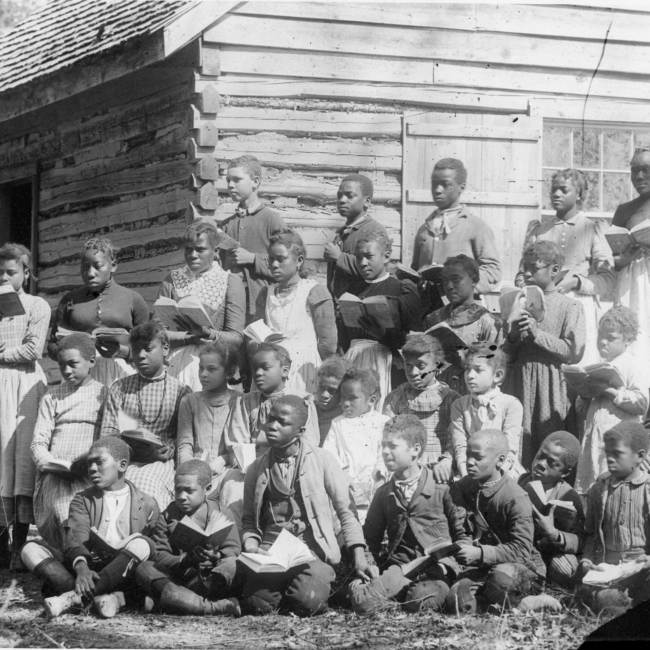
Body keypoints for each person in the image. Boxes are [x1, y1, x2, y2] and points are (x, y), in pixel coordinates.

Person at [239, 395, 374, 616]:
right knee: (257, 605)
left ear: (300, 431)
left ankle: (310, 583)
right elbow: (248, 520)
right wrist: (252, 546)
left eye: (283, 422)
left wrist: (360, 558)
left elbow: (346, 513)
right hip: (271, 554)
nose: (273, 426)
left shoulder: (323, 460)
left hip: (311, 552)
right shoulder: (255, 468)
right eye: (271, 419)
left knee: (307, 603)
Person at [20, 437, 158, 619]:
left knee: (143, 544)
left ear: (122, 465)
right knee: (30, 549)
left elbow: (154, 549)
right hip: (86, 569)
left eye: (99, 462)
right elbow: (76, 535)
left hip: (122, 572)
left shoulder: (147, 503)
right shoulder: (82, 499)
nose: (92, 468)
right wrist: (82, 568)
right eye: (89, 464)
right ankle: (100, 598)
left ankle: (72, 598)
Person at [349, 415, 471, 614]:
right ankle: (395, 591)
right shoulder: (383, 493)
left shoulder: (442, 488)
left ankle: (410, 594)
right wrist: (369, 566)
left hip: (436, 570)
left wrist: (450, 564)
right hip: (400, 568)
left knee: (423, 602)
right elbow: (369, 539)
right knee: (361, 601)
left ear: (415, 450)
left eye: (393, 446)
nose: (385, 452)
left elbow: (463, 536)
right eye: (383, 446)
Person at [516, 169, 615, 365]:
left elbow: (608, 279)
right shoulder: (539, 230)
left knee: (576, 364)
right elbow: (521, 274)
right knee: (543, 360)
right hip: (541, 307)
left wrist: (577, 282)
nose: (556, 194)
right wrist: (533, 291)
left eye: (563, 190)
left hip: (578, 306)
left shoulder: (592, 228)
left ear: (579, 194)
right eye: (553, 189)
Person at [503, 241, 586, 467]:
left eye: (535, 267)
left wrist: (537, 335)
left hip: (553, 386)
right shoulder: (517, 302)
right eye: (524, 267)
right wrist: (512, 334)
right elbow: (507, 354)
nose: (527, 273)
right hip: (520, 382)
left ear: (555, 270)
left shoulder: (570, 306)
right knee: (519, 442)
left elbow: (573, 352)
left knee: (551, 446)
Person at [220, 344, 319, 526]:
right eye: (255, 368)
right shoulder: (245, 401)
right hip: (252, 467)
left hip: (291, 464)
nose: (258, 373)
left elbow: (310, 441)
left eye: (265, 368)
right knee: (233, 490)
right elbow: (237, 441)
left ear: (285, 371)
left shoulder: (302, 401)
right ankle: (237, 542)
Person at [447, 430, 545, 614]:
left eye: (478, 457)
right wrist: (463, 548)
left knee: (500, 582)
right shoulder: (462, 487)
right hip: (479, 567)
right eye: (468, 455)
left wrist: (481, 553)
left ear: (500, 461)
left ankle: (531, 598)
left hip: (520, 566)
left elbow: (522, 550)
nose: (469, 461)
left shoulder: (514, 496)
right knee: (458, 602)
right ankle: (491, 601)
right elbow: (462, 529)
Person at [100, 321, 191, 510]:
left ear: (165, 349)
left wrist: (168, 450)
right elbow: (107, 435)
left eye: (148, 349)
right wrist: (133, 452)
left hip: (161, 462)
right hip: (124, 459)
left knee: (145, 484)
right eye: (136, 350)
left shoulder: (181, 391)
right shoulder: (121, 388)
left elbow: (184, 436)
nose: (141, 355)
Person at [134, 459, 241, 617]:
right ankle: (210, 607)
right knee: (145, 568)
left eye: (189, 491)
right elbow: (160, 555)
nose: (182, 497)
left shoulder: (222, 514)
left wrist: (216, 556)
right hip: (178, 579)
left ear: (208, 489)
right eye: (178, 490)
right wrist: (185, 560)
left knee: (233, 564)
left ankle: (173, 602)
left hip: (209, 578)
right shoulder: (167, 516)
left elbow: (233, 549)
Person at [31, 333, 107, 552]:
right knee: (65, 506)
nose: (66, 371)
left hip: (89, 470)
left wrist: (90, 463)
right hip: (58, 473)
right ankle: (75, 558)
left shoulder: (104, 394)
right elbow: (38, 442)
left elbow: (109, 437)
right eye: (62, 365)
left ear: (91, 361)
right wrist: (50, 463)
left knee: (91, 510)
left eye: (73, 364)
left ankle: (86, 557)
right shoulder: (52, 397)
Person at [0, 243, 49, 570]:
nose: (3, 277)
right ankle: (1, 546)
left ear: (26, 274)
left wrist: (2, 354)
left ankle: (19, 546)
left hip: (25, 385)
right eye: (0, 272)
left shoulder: (36, 305)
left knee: (21, 461)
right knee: (0, 458)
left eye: (10, 272)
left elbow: (34, 349)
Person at [47, 238, 149, 387]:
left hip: (121, 376)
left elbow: (149, 349)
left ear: (113, 266)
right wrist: (71, 355)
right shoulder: (70, 300)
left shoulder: (133, 299)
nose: (90, 273)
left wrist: (122, 351)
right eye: (84, 267)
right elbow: (52, 345)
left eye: (98, 266)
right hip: (79, 376)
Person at [157, 220, 245, 391]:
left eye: (201, 249)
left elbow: (236, 338)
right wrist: (188, 338)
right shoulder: (172, 279)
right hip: (175, 364)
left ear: (216, 251)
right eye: (188, 249)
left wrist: (209, 334)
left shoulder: (229, 281)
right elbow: (157, 331)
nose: (193, 255)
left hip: (215, 364)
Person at [340, 231, 420, 411]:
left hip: (384, 360)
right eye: (358, 257)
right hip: (354, 358)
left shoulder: (399, 288)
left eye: (369, 256)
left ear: (386, 257)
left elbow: (410, 338)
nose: (362, 263)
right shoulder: (353, 289)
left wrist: (382, 334)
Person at [410, 158, 501, 315]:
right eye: (434, 184)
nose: (438, 190)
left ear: (461, 187)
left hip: (464, 311)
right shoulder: (424, 229)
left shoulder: (475, 227)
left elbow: (492, 270)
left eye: (446, 184)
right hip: (428, 311)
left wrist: (464, 287)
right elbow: (416, 268)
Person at [575, 306, 649, 496]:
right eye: (601, 336)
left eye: (611, 338)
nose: (603, 342)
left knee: (615, 490)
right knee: (593, 488)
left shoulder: (631, 364)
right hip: (595, 439)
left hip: (620, 440)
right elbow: (582, 411)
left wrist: (609, 391)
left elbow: (642, 404)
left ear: (628, 340)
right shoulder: (596, 365)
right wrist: (584, 393)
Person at [253, 228, 336, 393]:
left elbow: (328, 344)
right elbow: (254, 332)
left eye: (281, 259)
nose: (274, 265)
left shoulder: (314, 291)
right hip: (271, 369)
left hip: (303, 371)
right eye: (271, 259)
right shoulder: (266, 293)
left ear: (298, 261)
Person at [577, 422, 650, 610]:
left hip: (644, 568)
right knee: (606, 600)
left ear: (639, 456)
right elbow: (592, 535)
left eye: (617, 454)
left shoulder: (647, 490)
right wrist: (587, 561)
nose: (609, 459)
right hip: (610, 570)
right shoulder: (599, 490)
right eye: (607, 453)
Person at [383, 334, 460, 482]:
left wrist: (447, 460)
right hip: (405, 470)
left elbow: (457, 437)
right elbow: (387, 436)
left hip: (440, 470)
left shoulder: (451, 399)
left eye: (421, 366)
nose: (413, 373)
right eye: (408, 365)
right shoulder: (395, 398)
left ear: (437, 365)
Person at [219, 154, 286, 321]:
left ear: (255, 182)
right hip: (231, 306)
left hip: (262, 305)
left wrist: (252, 258)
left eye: (237, 180)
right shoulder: (227, 225)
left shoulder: (271, 220)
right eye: (228, 180)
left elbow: (287, 263)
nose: (230, 185)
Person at [424, 255, 500, 395]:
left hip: (469, 390)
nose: (449, 286)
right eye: (444, 281)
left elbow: (492, 365)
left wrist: (467, 359)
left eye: (456, 280)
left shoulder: (486, 321)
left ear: (474, 281)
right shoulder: (434, 318)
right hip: (437, 388)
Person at [518, 431, 586, 588]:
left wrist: (554, 533)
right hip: (523, 550)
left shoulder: (569, 495)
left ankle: (549, 586)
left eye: (552, 463)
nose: (541, 464)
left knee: (564, 568)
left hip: (552, 553)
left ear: (566, 472)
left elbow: (580, 539)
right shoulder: (519, 482)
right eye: (541, 455)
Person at [322, 368, 389, 523]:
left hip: (375, 485)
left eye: (352, 398)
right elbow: (330, 453)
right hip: (347, 485)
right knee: (347, 521)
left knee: (375, 521)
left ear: (371, 400)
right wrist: (344, 476)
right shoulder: (338, 423)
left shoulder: (382, 423)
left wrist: (380, 478)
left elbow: (384, 454)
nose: (345, 403)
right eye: (343, 397)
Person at [450, 344, 524, 480]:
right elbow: (460, 447)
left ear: (497, 375)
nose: (470, 376)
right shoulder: (459, 405)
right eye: (467, 369)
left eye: (478, 370)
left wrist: (496, 478)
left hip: (503, 472)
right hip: (470, 471)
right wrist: (466, 476)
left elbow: (510, 449)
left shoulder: (511, 405)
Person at [611, 147, 650, 382]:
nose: (639, 177)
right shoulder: (624, 210)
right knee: (637, 339)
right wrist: (625, 259)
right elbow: (610, 261)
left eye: (646, 170)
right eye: (634, 171)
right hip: (634, 283)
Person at [176, 341, 240, 479]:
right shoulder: (189, 401)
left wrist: (223, 459)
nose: (203, 374)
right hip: (196, 469)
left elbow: (244, 445)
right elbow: (185, 443)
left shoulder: (240, 401)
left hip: (229, 469)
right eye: (201, 368)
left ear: (229, 373)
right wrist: (189, 468)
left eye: (211, 369)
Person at [324, 173, 388, 300]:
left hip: (362, 307)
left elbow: (375, 269)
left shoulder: (374, 230)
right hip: (340, 307)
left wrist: (339, 257)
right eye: (339, 195)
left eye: (349, 195)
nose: (342, 200)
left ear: (367, 201)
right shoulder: (342, 232)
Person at [314, 356, 351, 445]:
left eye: (332, 391)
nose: (324, 395)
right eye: (321, 388)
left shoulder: (346, 416)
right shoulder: (311, 409)